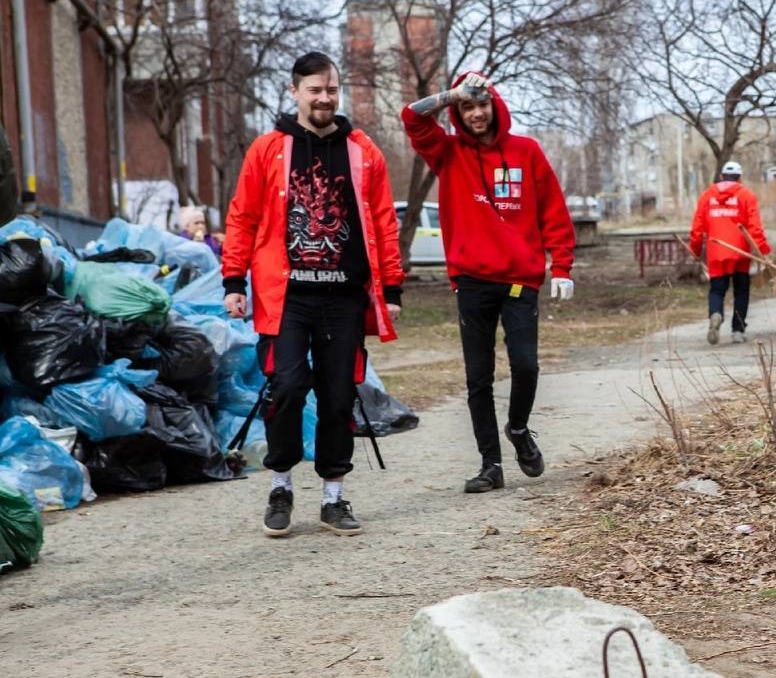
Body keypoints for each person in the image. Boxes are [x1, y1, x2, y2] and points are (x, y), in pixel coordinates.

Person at [222, 51, 404, 538]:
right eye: (315, 90)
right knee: (285, 388)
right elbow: (242, 217)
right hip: (287, 297)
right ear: (295, 91)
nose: (324, 98)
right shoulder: (268, 149)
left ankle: (333, 496)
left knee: (340, 397)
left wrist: (392, 287)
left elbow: (385, 222)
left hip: (344, 297)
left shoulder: (364, 151)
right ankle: (280, 485)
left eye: (331, 90)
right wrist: (233, 281)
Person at [401, 72, 575, 494]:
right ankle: (490, 464)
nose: (476, 113)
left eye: (482, 104)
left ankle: (518, 429)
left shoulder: (526, 151)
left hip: (520, 280)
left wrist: (563, 266)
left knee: (525, 364)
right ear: (459, 111)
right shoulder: (448, 153)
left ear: (495, 105)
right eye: (467, 107)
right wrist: (452, 94)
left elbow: (553, 209)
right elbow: (411, 117)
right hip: (473, 281)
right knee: (478, 377)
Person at [688, 161, 770, 344]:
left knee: (717, 289)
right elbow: (755, 227)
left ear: (721, 177)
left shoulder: (707, 196)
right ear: (739, 178)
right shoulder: (746, 195)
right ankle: (738, 331)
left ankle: (716, 314)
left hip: (716, 251)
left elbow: (697, 228)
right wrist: (763, 250)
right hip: (740, 252)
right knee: (741, 290)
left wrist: (694, 250)